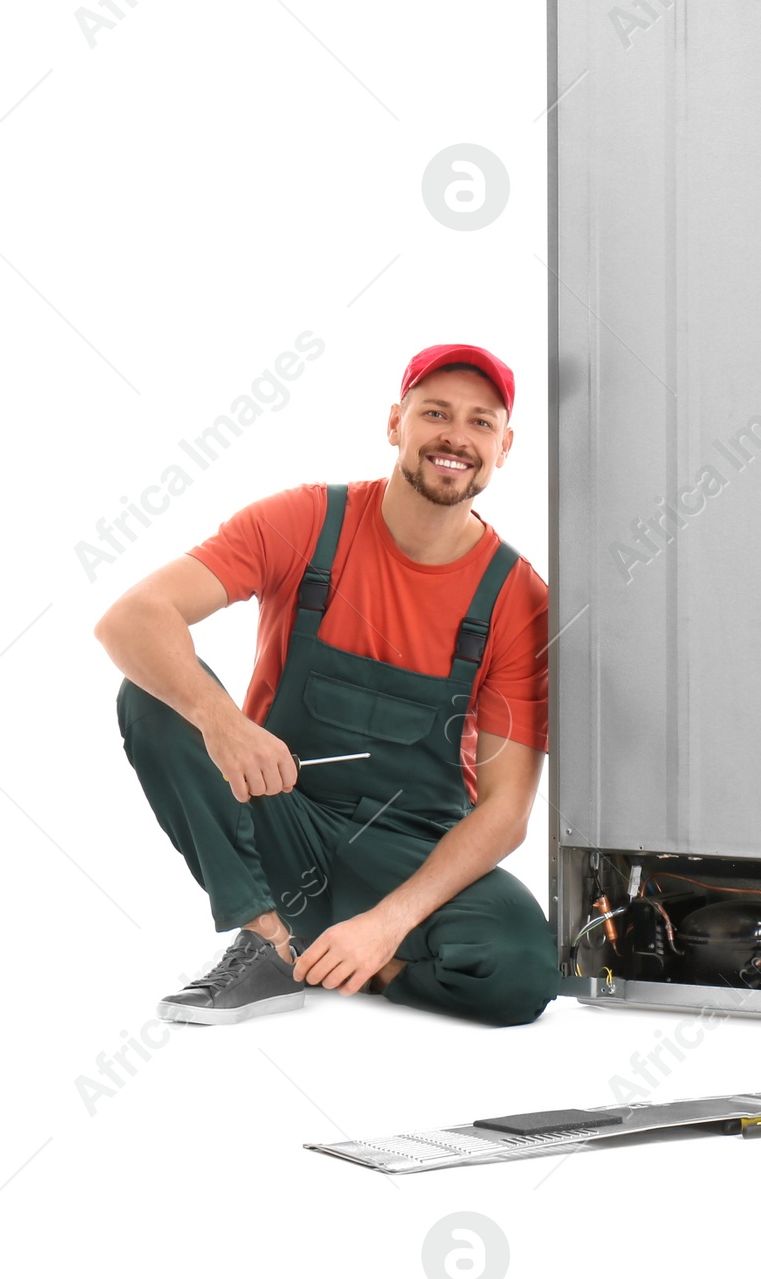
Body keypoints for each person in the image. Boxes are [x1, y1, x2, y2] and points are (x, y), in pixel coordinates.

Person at [94, 343, 559, 1027]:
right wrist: (223, 722)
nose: (456, 436)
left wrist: (387, 923)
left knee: (522, 970)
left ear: (504, 445)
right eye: (435, 413)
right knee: (154, 696)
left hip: (410, 850)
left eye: (481, 422)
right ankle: (268, 942)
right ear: (396, 422)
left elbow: (507, 811)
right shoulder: (309, 522)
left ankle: (357, 957)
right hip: (281, 815)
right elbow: (130, 620)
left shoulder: (517, 598)